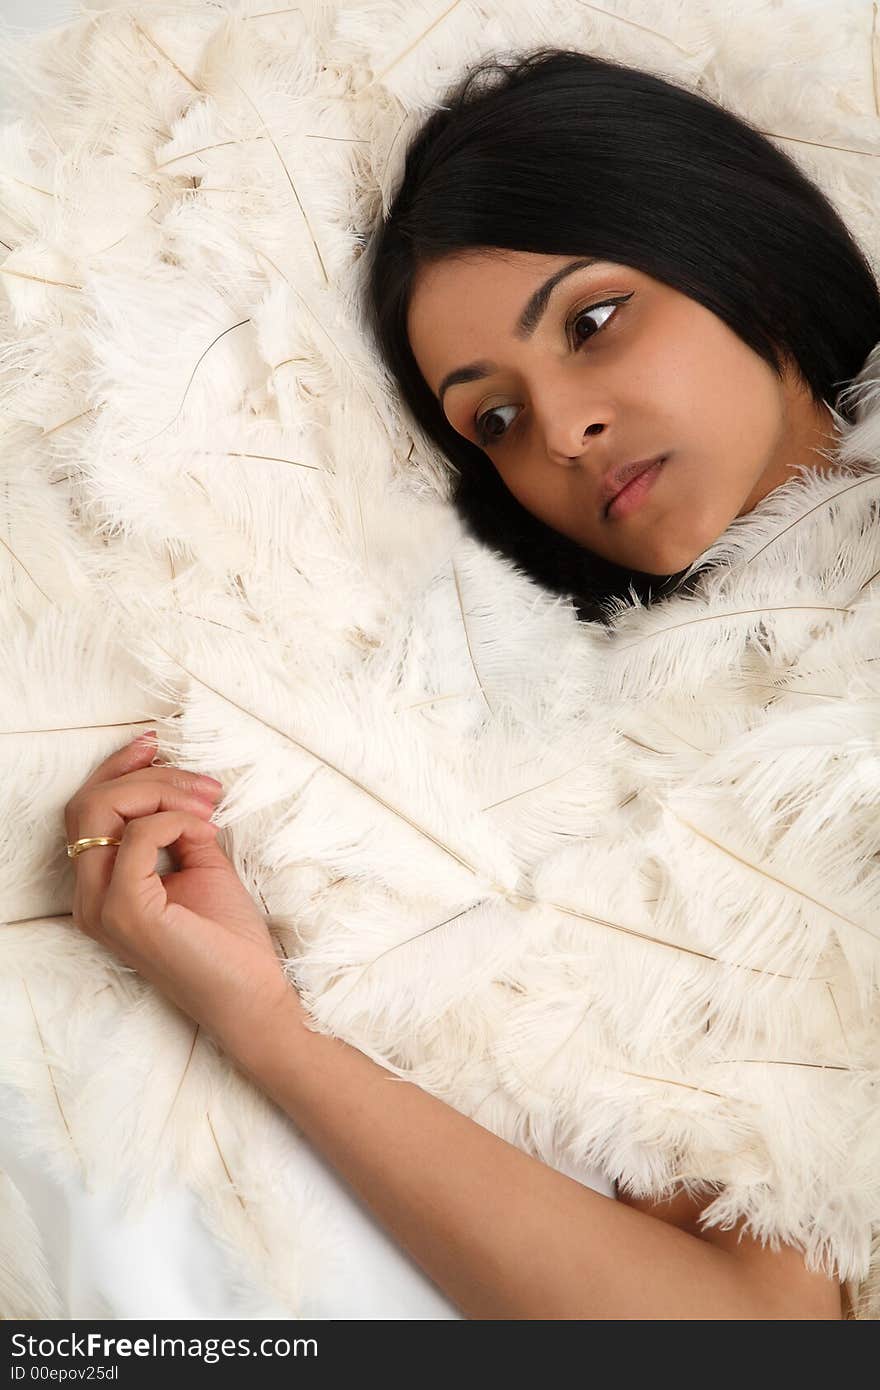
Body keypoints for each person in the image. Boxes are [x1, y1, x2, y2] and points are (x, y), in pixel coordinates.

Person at [60, 48, 880, 1319]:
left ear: (736, 248)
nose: (558, 429)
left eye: (592, 321)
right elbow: (761, 1328)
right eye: (490, 418)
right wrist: (271, 1027)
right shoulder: (656, 807)